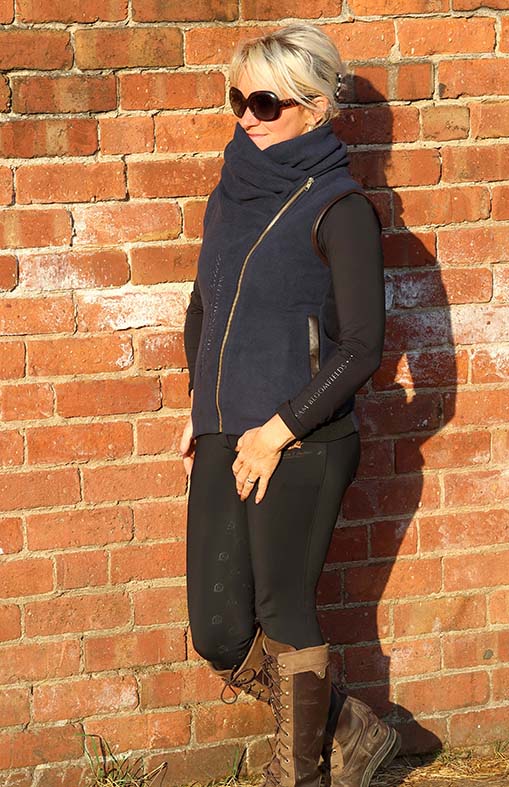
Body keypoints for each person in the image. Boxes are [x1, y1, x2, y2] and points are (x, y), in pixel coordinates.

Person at [179, 22, 401, 787]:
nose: (247, 115)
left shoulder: (340, 207)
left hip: (302, 439)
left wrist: (277, 429)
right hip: (224, 429)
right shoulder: (228, 194)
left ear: (314, 106)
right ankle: (350, 727)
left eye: (265, 102)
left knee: (282, 611)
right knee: (216, 630)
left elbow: (361, 348)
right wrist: (199, 405)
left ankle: (299, 777)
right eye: (237, 98)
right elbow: (203, 309)